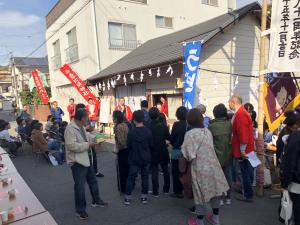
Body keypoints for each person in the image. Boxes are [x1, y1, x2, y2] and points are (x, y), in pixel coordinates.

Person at [182, 108, 229, 225]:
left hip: (200, 168)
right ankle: (215, 218)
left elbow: (188, 155)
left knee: (200, 196)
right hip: (214, 165)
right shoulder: (207, 131)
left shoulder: (190, 134)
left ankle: (199, 221)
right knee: (216, 192)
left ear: (189, 120)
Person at [64, 108, 107, 220]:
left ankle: (96, 200)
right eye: (87, 116)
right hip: (77, 162)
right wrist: (88, 145)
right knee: (80, 187)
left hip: (87, 159)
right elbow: (71, 146)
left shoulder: (81, 126)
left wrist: (99, 138)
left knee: (93, 181)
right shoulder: (70, 128)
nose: (88, 118)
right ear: (83, 118)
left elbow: (88, 137)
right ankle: (80, 210)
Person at [229, 94, 255, 202]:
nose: (229, 105)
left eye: (229, 102)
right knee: (247, 171)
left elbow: (243, 134)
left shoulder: (240, 114)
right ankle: (247, 192)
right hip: (246, 147)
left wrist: (242, 149)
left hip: (243, 149)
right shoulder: (243, 113)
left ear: (233, 102)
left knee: (244, 172)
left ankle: (247, 195)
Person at [124, 110, 153, 205]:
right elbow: (151, 145)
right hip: (145, 157)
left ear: (134, 120)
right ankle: (144, 197)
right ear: (143, 119)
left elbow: (128, 145)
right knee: (145, 177)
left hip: (134, 157)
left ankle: (127, 197)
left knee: (131, 177)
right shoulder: (148, 131)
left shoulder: (131, 133)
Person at [208, 103, 232, 205]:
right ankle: (228, 198)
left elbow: (209, 142)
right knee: (227, 176)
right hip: (228, 154)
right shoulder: (229, 124)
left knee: (217, 177)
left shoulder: (211, 126)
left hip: (216, 155)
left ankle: (220, 198)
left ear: (215, 114)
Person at [280, 113, 300, 225]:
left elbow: (289, 162)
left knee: (297, 213)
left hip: (297, 183)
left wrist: (284, 184)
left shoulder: (296, 136)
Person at [148, 107, 171, 197]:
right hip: (163, 150)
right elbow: (169, 138)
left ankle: (155, 191)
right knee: (165, 170)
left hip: (153, 151)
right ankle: (166, 189)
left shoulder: (148, 126)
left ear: (149, 116)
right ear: (158, 115)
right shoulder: (163, 126)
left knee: (154, 171)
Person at [170, 106, 188, 198]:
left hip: (176, 151)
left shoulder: (176, 125)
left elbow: (172, 138)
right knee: (185, 171)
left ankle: (177, 191)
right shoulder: (188, 125)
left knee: (175, 171)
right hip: (186, 152)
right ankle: (186, 189)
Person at [113, 110, 129, 194]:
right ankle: (128, 186)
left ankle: (124, 188)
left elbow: (121, 141)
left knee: (122, 171)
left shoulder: (118, 127)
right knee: (126, 170)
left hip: (123, 150)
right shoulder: (125, 124)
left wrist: (117, 149)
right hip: (127, 149)